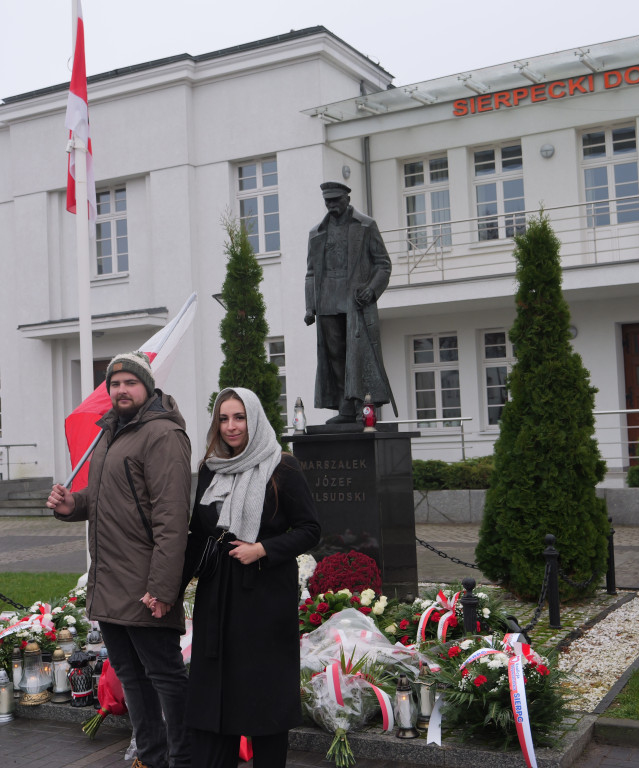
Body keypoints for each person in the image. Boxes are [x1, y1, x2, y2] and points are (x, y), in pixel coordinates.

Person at [48, 351, 191, 768]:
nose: (121, 389)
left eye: (130, 382)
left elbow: (171, 516)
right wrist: (72, 504)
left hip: (145, 585)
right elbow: (105, 498)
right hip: (110, 582)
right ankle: (151, 756)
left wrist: (162, 587)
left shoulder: (162, 435)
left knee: (164, 677)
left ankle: (184, 757)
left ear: (146, 386)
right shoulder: (110, 433)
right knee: (132, 678)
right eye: (114, 383)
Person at [182, 387, 321, 768]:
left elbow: (310, 529)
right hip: (218, 596)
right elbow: (197, 535)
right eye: (223, 418)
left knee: (265, 699)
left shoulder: (283, 466)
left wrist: (263, 549)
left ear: (254, 419)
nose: (231, 426)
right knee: (217, 695)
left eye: (239, 417)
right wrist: (169, 592)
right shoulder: (210, 469)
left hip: (264, 599)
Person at [304, 181, 394, 423]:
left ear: (347, 199)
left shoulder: (365, 226)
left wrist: (371, 290)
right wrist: (310, 307)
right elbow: (311, 273)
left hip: (355, 303)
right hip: (327, 302)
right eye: (328, 202)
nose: (331, 206)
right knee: (334, 355)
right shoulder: (317, 233)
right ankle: (345, 406)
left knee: (356, 355)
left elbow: (383, 265)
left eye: (336, 201)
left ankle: (361, 405)